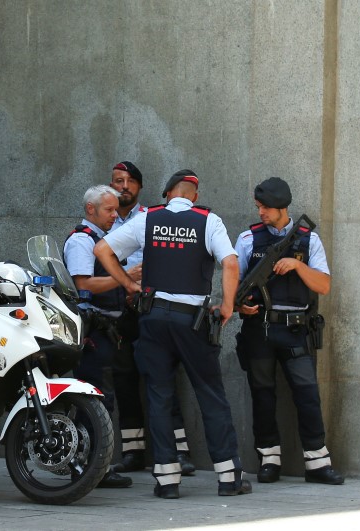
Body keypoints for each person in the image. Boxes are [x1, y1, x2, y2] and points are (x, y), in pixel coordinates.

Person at [94, 169, 251, 499]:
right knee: (210, 394)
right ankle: (229, 477)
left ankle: (166, 481)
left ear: (168, 194)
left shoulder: (148, 218)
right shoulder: (209, 221)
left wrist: (127, 284)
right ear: (194, 195)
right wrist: (226, 305)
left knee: (159, 395)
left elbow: (102, 251)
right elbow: (231, 263)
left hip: (153, 318)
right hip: (192, 321)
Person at [234, 177, 343, 485]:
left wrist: (297, 266)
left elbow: (323, 285)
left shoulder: (309, 240)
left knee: (308, 395)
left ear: (282, 207)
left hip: (296, 330)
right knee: (263, 396)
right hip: (259, 329)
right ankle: (268, 460)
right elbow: (234, 285)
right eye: (258, 207)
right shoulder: (247, 239)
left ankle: (317, 462)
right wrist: (240, 306)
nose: (261, 213)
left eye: (266, 208)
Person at [107, 162, 196, 476]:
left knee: (162, 381)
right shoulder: (104, 222)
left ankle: (179, 452)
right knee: (125, 382)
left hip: (149, 307)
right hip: (116, 313)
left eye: (130, 181)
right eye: (118, 181)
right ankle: (133, 452)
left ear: (140, 187)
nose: (124, 186)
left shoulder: (152, 219)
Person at [63, 184, 134, 488]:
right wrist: (125, 280)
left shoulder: (102, 240)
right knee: (94, 400)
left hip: (108, 331)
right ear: (91, 209)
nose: (114, 215)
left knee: (104, 400)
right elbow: (84, 285)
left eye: (116, 209)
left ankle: (95, 466)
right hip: (92, 332)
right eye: (109, 209)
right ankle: (87, 468)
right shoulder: (82, 240)